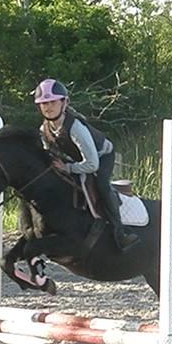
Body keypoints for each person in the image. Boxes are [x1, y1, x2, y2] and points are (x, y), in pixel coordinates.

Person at [33, 78, 140, 252]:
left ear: (64, 102)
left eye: (52, 102)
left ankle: (121, 231)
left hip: (101, 157)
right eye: (43, 103)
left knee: (101, 185)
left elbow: (92, 165)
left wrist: (68, 168)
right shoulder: (43, 130)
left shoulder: (75, 128)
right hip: (75, 160)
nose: (48, 107)